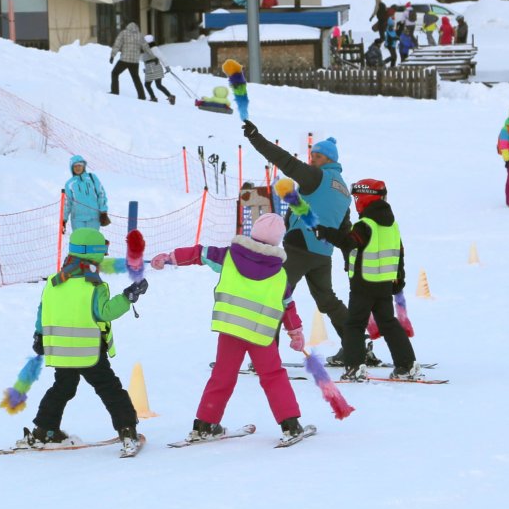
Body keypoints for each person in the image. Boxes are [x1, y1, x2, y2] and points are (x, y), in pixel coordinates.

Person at [157, 211, 306, 441]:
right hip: (261, 336)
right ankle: (290, 425)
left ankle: (204, 425)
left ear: (253, 232)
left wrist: (170, 257)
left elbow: (200, 254)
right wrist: (295, 333)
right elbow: (287, 305)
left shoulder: (229, 256)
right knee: (273, 376)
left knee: (222, 376)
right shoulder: (279, 273)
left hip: (231, 330)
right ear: (278, 240)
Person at [240, 124, 365, 363]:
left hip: (299, 249)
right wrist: (351, 259)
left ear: (329, 159)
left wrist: (256, 138)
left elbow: (284, 160)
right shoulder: (343, 192)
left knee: (274, 297)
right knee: (328, 300)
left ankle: (265, 357)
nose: (312, 159)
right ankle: (356, 347)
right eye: (312, 155)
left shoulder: (317, 176)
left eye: (317, 156)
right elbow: (344, 231)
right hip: (322, 254)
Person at [25, 228, 146, 448]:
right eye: (102, 252)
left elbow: (43, 311)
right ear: (93, 254)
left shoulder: (54, 281)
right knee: (109, 388)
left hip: (61, 350)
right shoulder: (93, 285)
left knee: (63, 387)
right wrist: (128, 298)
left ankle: (44, 429)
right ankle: (127, 430)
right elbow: (106, 312)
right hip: (88, 350)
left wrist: (39, 335)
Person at [316, 178, 419, 381]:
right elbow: (399, 253)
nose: (355, 202)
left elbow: (349, 243)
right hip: (383, 284)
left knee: (354, 324)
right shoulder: (392, 225)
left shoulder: (365, 224)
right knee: (388, 322)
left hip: (363, 284)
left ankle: (355, 366)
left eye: (356, 197)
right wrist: (399, 280)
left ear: (364, 198)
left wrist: (325, 232)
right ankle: (407, 364)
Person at [62, 156, 110, 231]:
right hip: (77, 220)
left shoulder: (92, 178)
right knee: (79, 241)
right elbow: (68, 203)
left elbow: (101, 194)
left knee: (92, 241)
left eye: (79, 165)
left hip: (94, 218)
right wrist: (64, 219)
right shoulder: (69, 184)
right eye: (75, 166)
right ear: (71, 168)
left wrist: (103, 211)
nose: (77, 168)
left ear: (83, 166)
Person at [109, 21, 148, 99]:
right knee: (136, 78)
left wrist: (112, 55)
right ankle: (142, 96)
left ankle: (115, 91)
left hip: (124, 60)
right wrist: (153, 57)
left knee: (114, 73)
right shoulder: (140, 35)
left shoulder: (123, 33)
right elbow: (146, 47)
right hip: (135, 61)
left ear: (128, 26)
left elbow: (117, 44)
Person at [141, 38, 175, 104]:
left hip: (154, 69)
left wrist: (167, 66)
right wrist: (146, 68)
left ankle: (153, 98)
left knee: (148, 84)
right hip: (151, 69)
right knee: (158, 85)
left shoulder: (154, 49)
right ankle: (170, 96)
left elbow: (162, 57)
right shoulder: (146, 50)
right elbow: (146, 61)